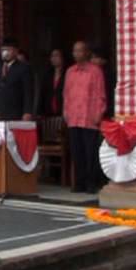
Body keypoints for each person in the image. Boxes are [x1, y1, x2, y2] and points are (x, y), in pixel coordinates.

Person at [62, 41, 106, 194]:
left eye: (80, 51)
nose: (77, 54)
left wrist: (99, 114)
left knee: (90, 152)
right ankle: (79, 182)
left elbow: (101, 94)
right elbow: (66, 94)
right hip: (74, 116)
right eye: (75, 51)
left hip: (89, 116)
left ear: (87, 53)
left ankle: (91, 182)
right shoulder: (69, 71)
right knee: (76, 152)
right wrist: (66, 112)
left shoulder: (95, 71)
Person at [0, 38, 34, 121]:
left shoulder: (23, 68)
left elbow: (28, 91)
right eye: (3, 50)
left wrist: (27, 111)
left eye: (8, 50)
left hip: (14, 112)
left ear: (16, 51)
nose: (5, 53)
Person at [38, 49, 67, 117]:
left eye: (56, 55)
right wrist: (39, 111)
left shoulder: (68, 73)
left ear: (62, 58)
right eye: (52, 56)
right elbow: (42, 94)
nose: (54, 58)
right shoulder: (47, 74)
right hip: (48, 112)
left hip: (63, 112)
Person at [91, 47, 115, 118]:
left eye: (95, 58)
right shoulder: (91, 74)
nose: (92, 61)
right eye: (92, 58)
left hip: (107, 111)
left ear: (103, 60)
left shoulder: (109, 75)